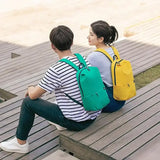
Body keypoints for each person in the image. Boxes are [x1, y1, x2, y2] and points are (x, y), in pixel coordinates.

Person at [0, 25, 101, 153]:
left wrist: (30, 87)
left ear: (52, 46)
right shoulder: (83, 59)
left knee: (28, 103)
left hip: (77, 122)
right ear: (72, 42)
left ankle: (20, 143)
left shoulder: (56, 70)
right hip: (92, 115)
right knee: (62, 96)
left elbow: (33, 96)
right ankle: (61, 123)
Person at [87, 20, 125, 113]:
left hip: (109, 103)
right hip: (121, 98)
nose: (88, 37)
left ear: (100, 39)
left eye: (91, 35)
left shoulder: (93, 56)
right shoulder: (113, 49)